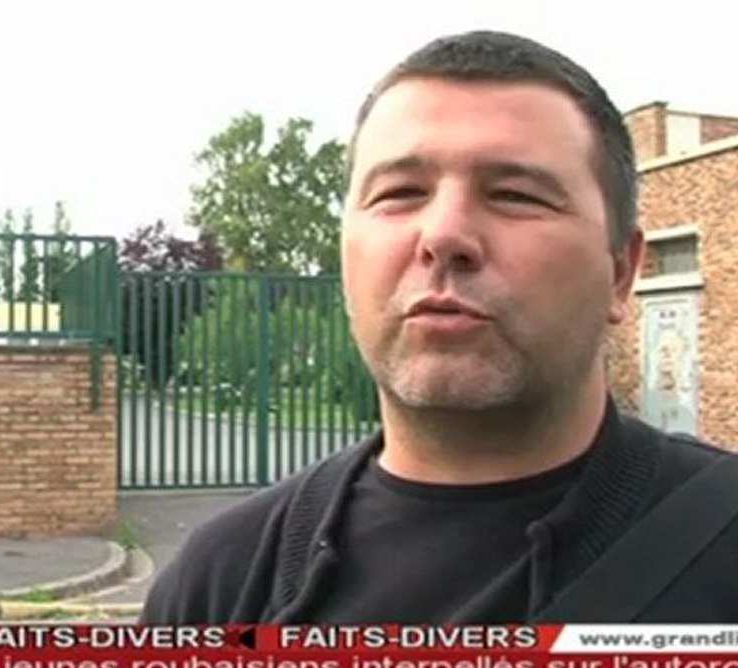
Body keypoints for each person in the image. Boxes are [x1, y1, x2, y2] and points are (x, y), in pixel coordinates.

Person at [140, 30, 738, 624]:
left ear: (620, 273)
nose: (444, 235)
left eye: (514, 195)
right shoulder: (219, 586)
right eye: (400, 193)